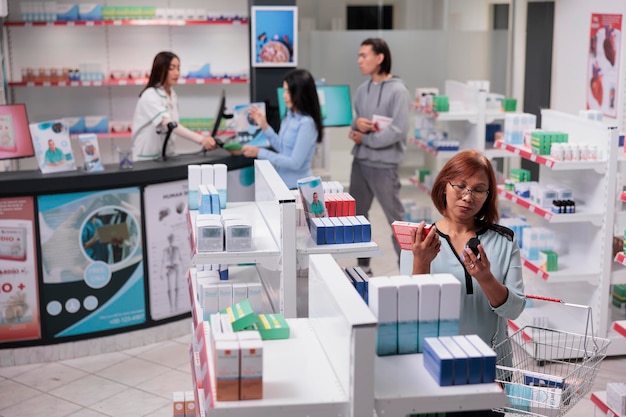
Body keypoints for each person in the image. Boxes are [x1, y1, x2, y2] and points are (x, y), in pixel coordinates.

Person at [409, 150, 525, 417]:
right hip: (437, 366)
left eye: (479, 190)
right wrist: (421, 263)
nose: (467, 196)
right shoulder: (419, 240)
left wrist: (485, 278)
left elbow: (515, 309)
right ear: (443, 186)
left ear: (488, 197)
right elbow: (414, 314)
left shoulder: (503, 241)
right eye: (460, 185)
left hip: (491, 367)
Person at [348, 37, 410, 275]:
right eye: (359, 56)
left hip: (384, 167)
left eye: (364, 55)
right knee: (358, 219)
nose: (359, 61)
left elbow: (398, 130)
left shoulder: (398, 91)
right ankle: (363, 267)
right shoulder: (362, 90)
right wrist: (357, 124)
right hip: (360, 164)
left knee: (396, 222)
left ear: (380, 57)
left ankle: (407, 271)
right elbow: (355, 123)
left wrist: (367, 139)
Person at [241, 68, 323, 190]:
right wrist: (264, 125)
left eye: (288, 92)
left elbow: (295, 163)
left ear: (299, 93)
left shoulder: (307, 124)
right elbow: (282, 148)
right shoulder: (290, 116)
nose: (284, 96)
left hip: (298, 189)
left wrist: (259, 152)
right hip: (283, 185)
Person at [131, 51, 217, 161]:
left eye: (178, 68)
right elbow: (169, 124)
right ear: (160, 70)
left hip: (166, 154)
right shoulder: (150, 95)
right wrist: (201, 140)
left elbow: (174, 125)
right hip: (147, 157)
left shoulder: (172, 94)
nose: (176, 73)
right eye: (172, 68)